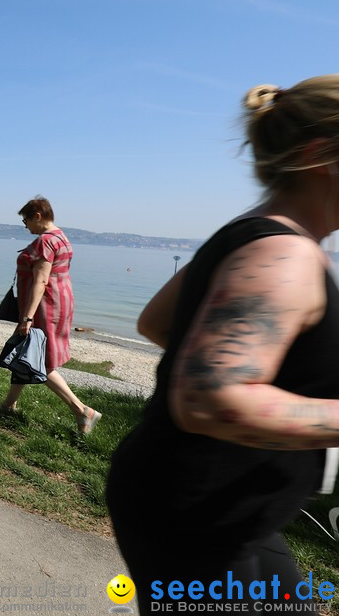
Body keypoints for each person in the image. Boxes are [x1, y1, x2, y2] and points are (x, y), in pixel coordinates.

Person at [106, 77, 339, 612]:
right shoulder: (286, 256)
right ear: (321, 154)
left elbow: (158, 321)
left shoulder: (256, 233)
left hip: (233, 510)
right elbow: (210, 398)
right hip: (197, 518)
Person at [0, 197, 101, 435]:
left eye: (26, 220)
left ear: (37, 215)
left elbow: (41, 280)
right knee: (23, 351)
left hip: (44, 306)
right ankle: (9, 405)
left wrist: (27, 318)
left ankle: (81, 410)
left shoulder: (45, 242)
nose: (26, 225)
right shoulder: (62, 237)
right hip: (60, 301)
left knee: (39, 360)